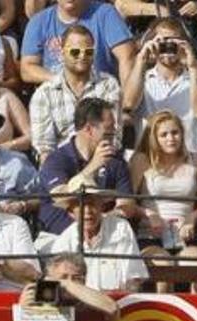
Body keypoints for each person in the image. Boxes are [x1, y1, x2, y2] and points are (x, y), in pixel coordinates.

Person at [128, 110, 197, 286]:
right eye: (163, 135)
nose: (171, 138)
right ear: (154, 138)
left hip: (185, 236)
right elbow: (129, 203)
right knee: (164, 267)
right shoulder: (142, 160)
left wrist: (193, 217)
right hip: (150, 235)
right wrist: (147, 214)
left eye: (175, 133)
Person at [37, 97, 135, 238]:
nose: (113, 134)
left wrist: (100, 221)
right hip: (58, 237)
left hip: (103, 237)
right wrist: (94, 166)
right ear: (89, 129)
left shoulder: (115, 161)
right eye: (108, 132)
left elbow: (127, 206)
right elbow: (60, 196)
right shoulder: (57, 159)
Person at [28, 24, 121, 160]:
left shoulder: (109, 84)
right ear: (62, 52)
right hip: (62, 164)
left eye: (88, 52)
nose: (82, 56)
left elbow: (113, 134)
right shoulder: (44, 94)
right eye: (75, 52)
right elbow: (44, 149)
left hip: (103, 158)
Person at [123, 18, 197, 157]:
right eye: (162, 41)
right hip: (149, 161)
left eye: (174, 41)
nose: (168, 47)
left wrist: (193, 67)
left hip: (187, 160)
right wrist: (141, 59)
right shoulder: (141, 80)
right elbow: (128, 104)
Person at [47, 176, 149, 292]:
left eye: (92, 204)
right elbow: (54, 283)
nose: (88, 211)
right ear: (71, 212)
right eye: (81, 206)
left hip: (116, 303)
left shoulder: (120, 228)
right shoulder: (64, 241)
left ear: (102, 207)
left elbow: (134, 277)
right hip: (77, 304)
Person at [20, 0, 134, 85]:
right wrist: (60, 80)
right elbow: (27, 68)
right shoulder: (39, 22)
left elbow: (127, 57)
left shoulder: (105, 13)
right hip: (57, 95)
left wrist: (127, 104)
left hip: (100, 90)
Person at [18, 251, 117, 316]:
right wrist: (23, 309)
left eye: (76, 278)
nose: (70, 281)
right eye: (63, 276)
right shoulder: (39, 299)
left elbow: (111, 308)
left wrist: (65, 283)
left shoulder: (92, 301)